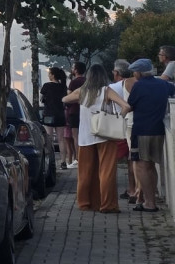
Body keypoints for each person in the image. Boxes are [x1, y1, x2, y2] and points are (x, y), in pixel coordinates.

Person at [62, 63, 131, 213]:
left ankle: (85, 203)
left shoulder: (82, 91)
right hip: (105, 135)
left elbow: (65, 99)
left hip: (85, 136)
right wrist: (119, 118)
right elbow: (126, 106)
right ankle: (107, 205)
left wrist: (80, 99)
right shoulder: (106, 90)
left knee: (85, 172)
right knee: (106, 171)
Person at [124, 58, 175, 212]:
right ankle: (149, 199)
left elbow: (130, 105)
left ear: (139, 72)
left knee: (141, 166)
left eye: (135, 71)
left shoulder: (139, 86)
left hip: (141, 130)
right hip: (158, 129)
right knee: (151, 166)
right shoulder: (164, 84)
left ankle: (150, 203)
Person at [108, 60, 139, 203]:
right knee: (133, 159)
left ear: (117, 73)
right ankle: (134, 189)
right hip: (136, 124)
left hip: (121, 126)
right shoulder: (135, 83)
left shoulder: (113, 87)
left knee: (116, 160)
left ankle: (131, 190)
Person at [41, 67, 69, 161]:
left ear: (53, 75)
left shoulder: (46, 86)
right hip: (60, 115)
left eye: (49, 74)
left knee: (49, 139)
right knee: (61, 139)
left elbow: (42, 99)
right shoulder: (63, 86)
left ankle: (51, 160)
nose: (48, 75)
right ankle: (63, 161)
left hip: (49, 114)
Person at [64, 61, 88, 169]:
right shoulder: (87, 81)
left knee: (75, 136)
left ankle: (78, 158)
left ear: (76, 70)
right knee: (85, 135)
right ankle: (86, 157)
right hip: (86, 111)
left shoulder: (73, 83)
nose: (72, 69)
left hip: (74, 111)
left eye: (73, 67)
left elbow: (69, 98)